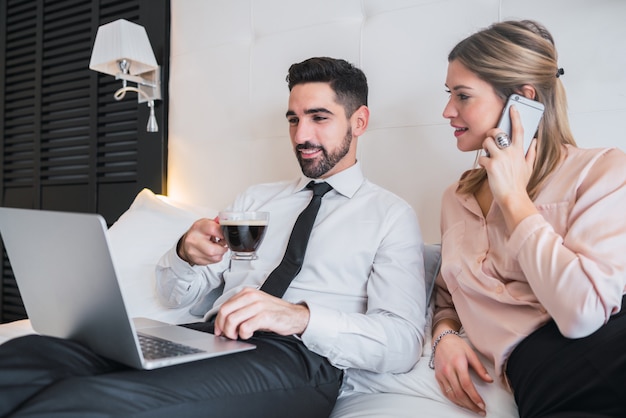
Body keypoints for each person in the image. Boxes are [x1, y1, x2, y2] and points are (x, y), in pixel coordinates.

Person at [0, 57, 426, 417]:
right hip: (206, 334)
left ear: (360, 121)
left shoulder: (389, 215)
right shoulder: (256, 201)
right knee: (27, 356)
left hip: (298, 360)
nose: (301, 136)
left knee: (85, 402)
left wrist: (298, 317)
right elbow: (176, 296)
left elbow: (404, 342)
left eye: (319, 118)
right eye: (294, 119)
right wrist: (186, 254)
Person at [430, 20, 626, 418]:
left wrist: (515, 199)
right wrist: (445, 335)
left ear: (523, 99)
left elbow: (581, 313)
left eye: (463, 96)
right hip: (539, 376)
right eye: (449, 94)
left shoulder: (602, 171)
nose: (448, 110)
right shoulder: (455, 198)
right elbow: (445, 295)